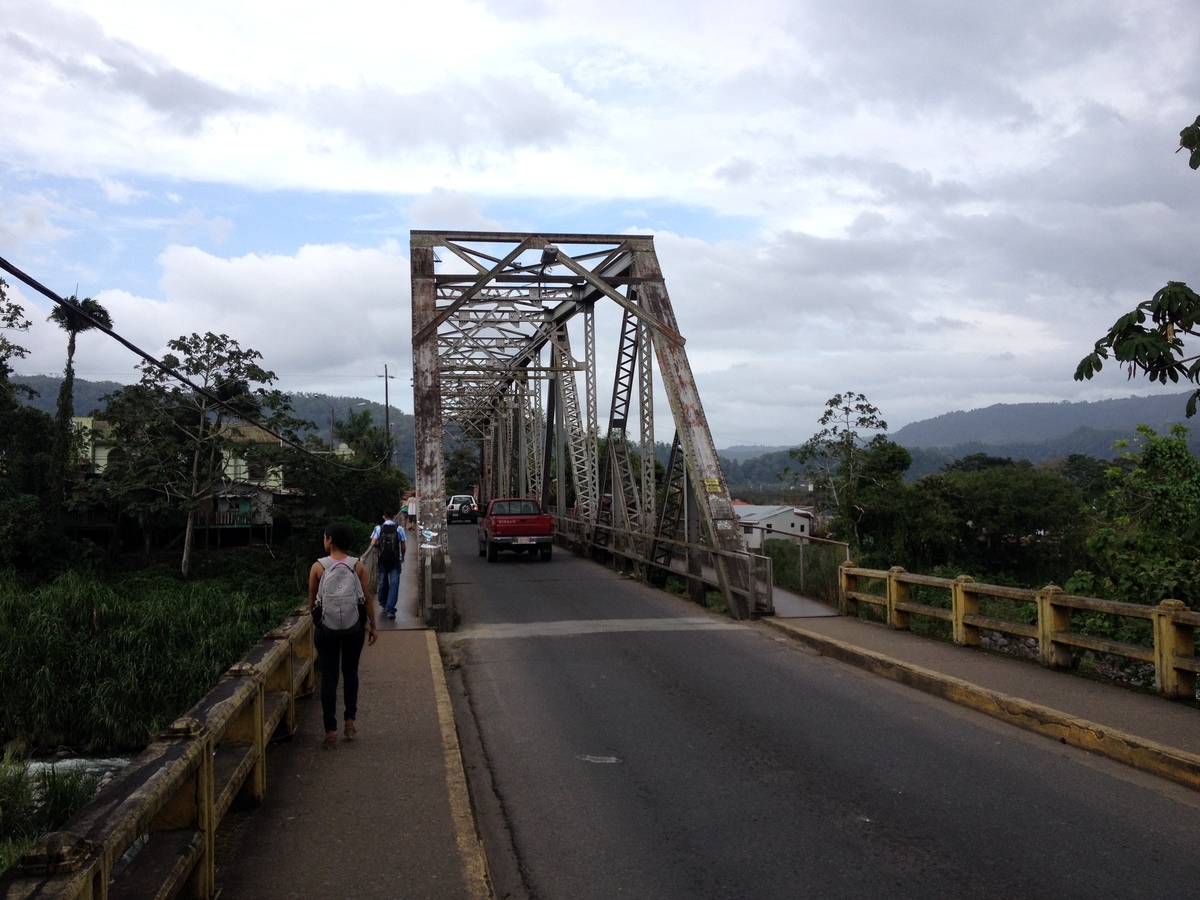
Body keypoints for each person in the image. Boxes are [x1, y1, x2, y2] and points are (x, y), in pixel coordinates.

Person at [308, 522, 377, 749]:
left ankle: (330, 731)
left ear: (329, 540)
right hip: (353, 628)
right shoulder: (358, 566)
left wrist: (321, 624)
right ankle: (350, 721)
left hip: (326, 629)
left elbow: (312, 604)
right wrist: (373, 626)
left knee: (329, 677)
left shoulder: (318, 567)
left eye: (325, 537)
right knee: (350, 672)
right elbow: (366, 599)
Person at [370, 510, 407, 620]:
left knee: (382, 582)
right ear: (395, 516)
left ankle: (383, 603)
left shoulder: (378, 528)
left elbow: (372, 543)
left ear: (383, 517)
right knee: (394, 584)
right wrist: (402, 556)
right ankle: (391, 610)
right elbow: (403, 546)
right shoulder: (399, 528)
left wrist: (380, 546)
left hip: (382, 560)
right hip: (395, 560)